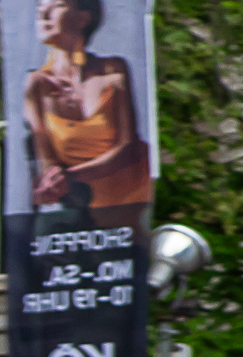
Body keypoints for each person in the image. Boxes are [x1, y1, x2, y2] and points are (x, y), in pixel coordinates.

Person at [21, 0, 151, 224]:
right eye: (40, 7)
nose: (43, 12)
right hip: (79, 209)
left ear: (83, 18)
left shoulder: (114, 72)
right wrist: (53, 182)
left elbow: (126, 146)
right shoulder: (36, 85)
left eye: (57, 5)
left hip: (129, 199)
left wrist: (69, 177)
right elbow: (46, 162)